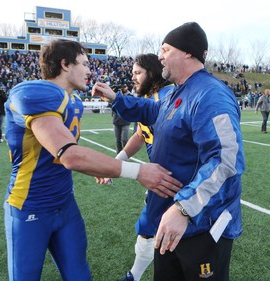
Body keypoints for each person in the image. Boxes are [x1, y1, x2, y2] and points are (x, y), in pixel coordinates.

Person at [3, 39, 182, 281]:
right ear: (65, 64)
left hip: (65, 203)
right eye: (85, 64)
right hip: (29, 207)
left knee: (80, 275)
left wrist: (102, 164)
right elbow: (70, 155)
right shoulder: (33, 92)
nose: (90, 70)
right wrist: (137, 172)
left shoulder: (74, 101)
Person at [93, 22, 245, 281]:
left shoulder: (211, 95)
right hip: (170, 220)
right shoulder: (178, 92)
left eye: (165, 49)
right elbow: (150, 110)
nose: (160, 56)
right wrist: (117, 99)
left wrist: (184, 208)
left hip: (200, 225)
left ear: (187, 52)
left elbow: (226, 160)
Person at [96, 53, 175, 281]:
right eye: (132, 73)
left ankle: (135, 276)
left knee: (149, 228)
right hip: (162, 175)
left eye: (138, 73)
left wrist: (115, 98)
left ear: (152, 73)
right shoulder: (151, 98)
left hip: (172, 178)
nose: (133, 78)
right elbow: (141, 135)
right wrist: (118, 160)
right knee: (152, 228)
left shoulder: (167, 95)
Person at [112, 83, 132, 153]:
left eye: (125, 86)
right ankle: (119, 154)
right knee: (117, 139)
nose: (123, 88)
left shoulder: (130, 96)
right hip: (116, 119)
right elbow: (112, 104)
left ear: (127, 87)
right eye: (122, 87)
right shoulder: (116, 95)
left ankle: (126, 153)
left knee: (124, 139)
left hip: (125, 120)